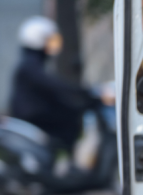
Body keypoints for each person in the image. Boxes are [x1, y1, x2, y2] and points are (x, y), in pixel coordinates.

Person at [9, 16, 92, 155]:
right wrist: (84, 92)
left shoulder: (30, 63)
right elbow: (53, 85)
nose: (53, 45)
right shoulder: (30, 66)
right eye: (49, 40)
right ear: (38, 40)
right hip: (33, 117)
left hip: (34, 115)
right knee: (70, 119)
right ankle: (70, 166)